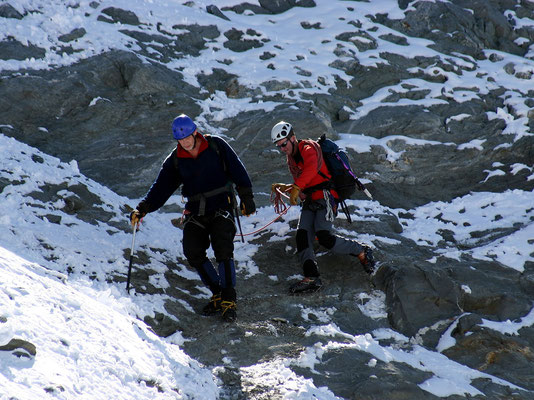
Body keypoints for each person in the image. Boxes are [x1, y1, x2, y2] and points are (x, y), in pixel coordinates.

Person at [130, 114, 255, 322]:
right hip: (195, 211)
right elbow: (161, 187)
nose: (185, 142)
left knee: (223, 249)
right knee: (192, 251)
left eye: (188, 137)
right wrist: (143, 208)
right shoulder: (176, 160)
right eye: (181, 140)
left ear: (195, 132)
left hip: (221, 206)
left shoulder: (216, 145)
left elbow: (237, 169)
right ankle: (218, 293)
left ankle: (229, 299)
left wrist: (246, 197)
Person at [270, 121, 375, 294]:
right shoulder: (291, 160)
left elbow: (311, 169)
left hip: (326, 197)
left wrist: (296, 188)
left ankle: (362, 250)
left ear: (293, 138)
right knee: (302, 237)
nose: (282, 148)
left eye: (283, 144)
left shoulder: (308, 148)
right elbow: (302, 186)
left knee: (324, 237)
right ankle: (312, 277)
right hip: (310, 201)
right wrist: (287, 188)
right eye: (278, 146)